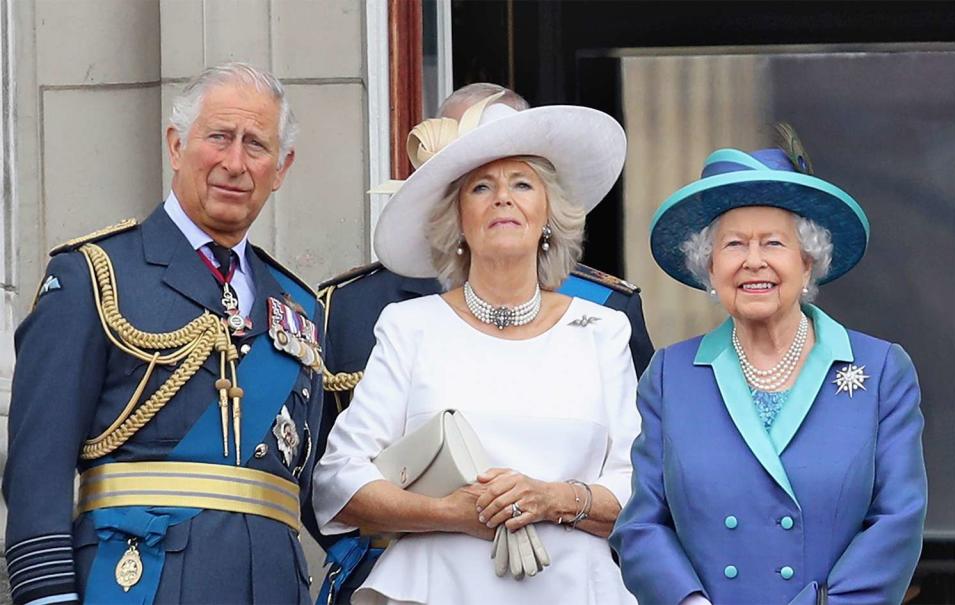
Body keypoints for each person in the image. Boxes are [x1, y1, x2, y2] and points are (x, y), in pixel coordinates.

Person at [3, 63, 325, 605]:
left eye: (256, 145)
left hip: (270, 584)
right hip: (137, 581)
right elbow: (39, 465)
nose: (235, 162)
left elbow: (317, 484)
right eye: (219, 137)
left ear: (282, 167)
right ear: (176, 146)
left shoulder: (299, 306)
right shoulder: (95, 274)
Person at [312, 94, 640, 604]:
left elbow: (637, 487)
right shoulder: (408, 326)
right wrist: (452, 513)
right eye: (481, 187)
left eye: (522, 184)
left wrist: (552, 498)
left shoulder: (604, 328)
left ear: (548, 214)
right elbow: (339, 480)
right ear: (458, 222)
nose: (502, 199)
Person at [610, 128, 927, 605]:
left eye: (773, 244)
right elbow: (641, 524)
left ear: (808, 261)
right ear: (710, 267)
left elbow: (898, 520)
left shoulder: (881, 370)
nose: (753, 262)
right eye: (734, 245)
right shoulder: (671, 375)